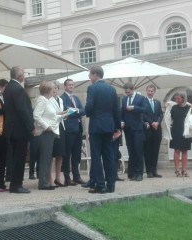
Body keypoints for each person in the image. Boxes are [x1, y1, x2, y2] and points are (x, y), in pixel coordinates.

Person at [85, 66, 121, 194]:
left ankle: (100, 185)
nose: (89, 78)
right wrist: (117, 127)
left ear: (95, 75)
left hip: (96, 126)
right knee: (109, 156)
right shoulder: (111, 89)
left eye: (90, 75)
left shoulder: (92, 88)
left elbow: (89, 107)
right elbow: (116, 110)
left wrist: (88, 113)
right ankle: (111, 185)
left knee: (96, 156)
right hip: (109, 126)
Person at [3, 66, 34, 194]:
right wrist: (31, 126)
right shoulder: (18, 89)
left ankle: (14, 184)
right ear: (19, 76)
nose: (24, 76)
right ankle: (16, 185)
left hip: (11, 128)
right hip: (19, 129)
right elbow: (23, 110)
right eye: (23, 73)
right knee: (19, 158)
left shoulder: (8, 87)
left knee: (15, 157)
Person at [34, 81, 66, 190]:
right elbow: (36, 115)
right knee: (45, 158)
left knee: (47, 158)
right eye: (53, 88)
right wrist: (46, 126)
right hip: (45, 132)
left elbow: (51, 117)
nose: (54, 90)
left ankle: (45, 182)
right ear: (48, 90)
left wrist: (63, 115)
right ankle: (43, 183)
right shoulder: (42, 100)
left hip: (50, 132)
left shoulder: (47, 100)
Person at [61, 79, 86, 186]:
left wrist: (75, 111)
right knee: (67, 154)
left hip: (78, 129)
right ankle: (67, 177)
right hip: (69, 130)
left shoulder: (76, 98)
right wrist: (77, 111)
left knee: (76, 154)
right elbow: (67, 111)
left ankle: (77, 176)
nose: (71, 86)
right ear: (65, 86)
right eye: (69, 85)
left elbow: (83, 111)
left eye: (73, 85)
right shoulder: (62, 98)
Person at [121, 82, 147, 181]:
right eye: (126, 92)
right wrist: (122, 121)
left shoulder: (140, 98)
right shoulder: (124, 99)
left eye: (128, 92)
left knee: (138, 151)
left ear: (132, 89)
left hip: (137, 129)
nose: (127, 94)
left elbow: (145, 109)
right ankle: (131, 173)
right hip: (128, 129)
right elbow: (122, 112)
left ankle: (139, 173)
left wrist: (134, 108)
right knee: (131, 151)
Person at [168, 92, 192, 177]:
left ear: (183, 99)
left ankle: (184, 170)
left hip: (186, 131)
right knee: (176, 150)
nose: (176, 100)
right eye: (175, 99)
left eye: (178, 98)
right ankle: (177, 170)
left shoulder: (188, 107)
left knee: (185, 150)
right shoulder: (174, 107)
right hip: (176, 130)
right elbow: (170, 118)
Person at [143, 84, 163, 178]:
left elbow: (160, 114)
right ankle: (149, 171)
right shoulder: (143, 102)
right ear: (146, 91)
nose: (150, 92)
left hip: (157, 130)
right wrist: (151, 122)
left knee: (155, 151)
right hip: (148, 130)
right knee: (148, 151)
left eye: (152, 91)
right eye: (149, 91)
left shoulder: (157, 102)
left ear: (154, 92)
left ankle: (154, 170)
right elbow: (143, 115)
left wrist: (157, 122)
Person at [50, 81, 66, 187]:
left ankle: (58, 176)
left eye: (56, 88)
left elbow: (62, 112)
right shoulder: (47, 100)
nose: (55, 90)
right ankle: (49, 177)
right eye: (53, 88)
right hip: (52, 127)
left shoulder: (60, 99)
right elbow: (49, 113)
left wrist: (65, 114)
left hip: (61, 126)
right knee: (51, 153)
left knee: (60, 153)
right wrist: (58, 114)